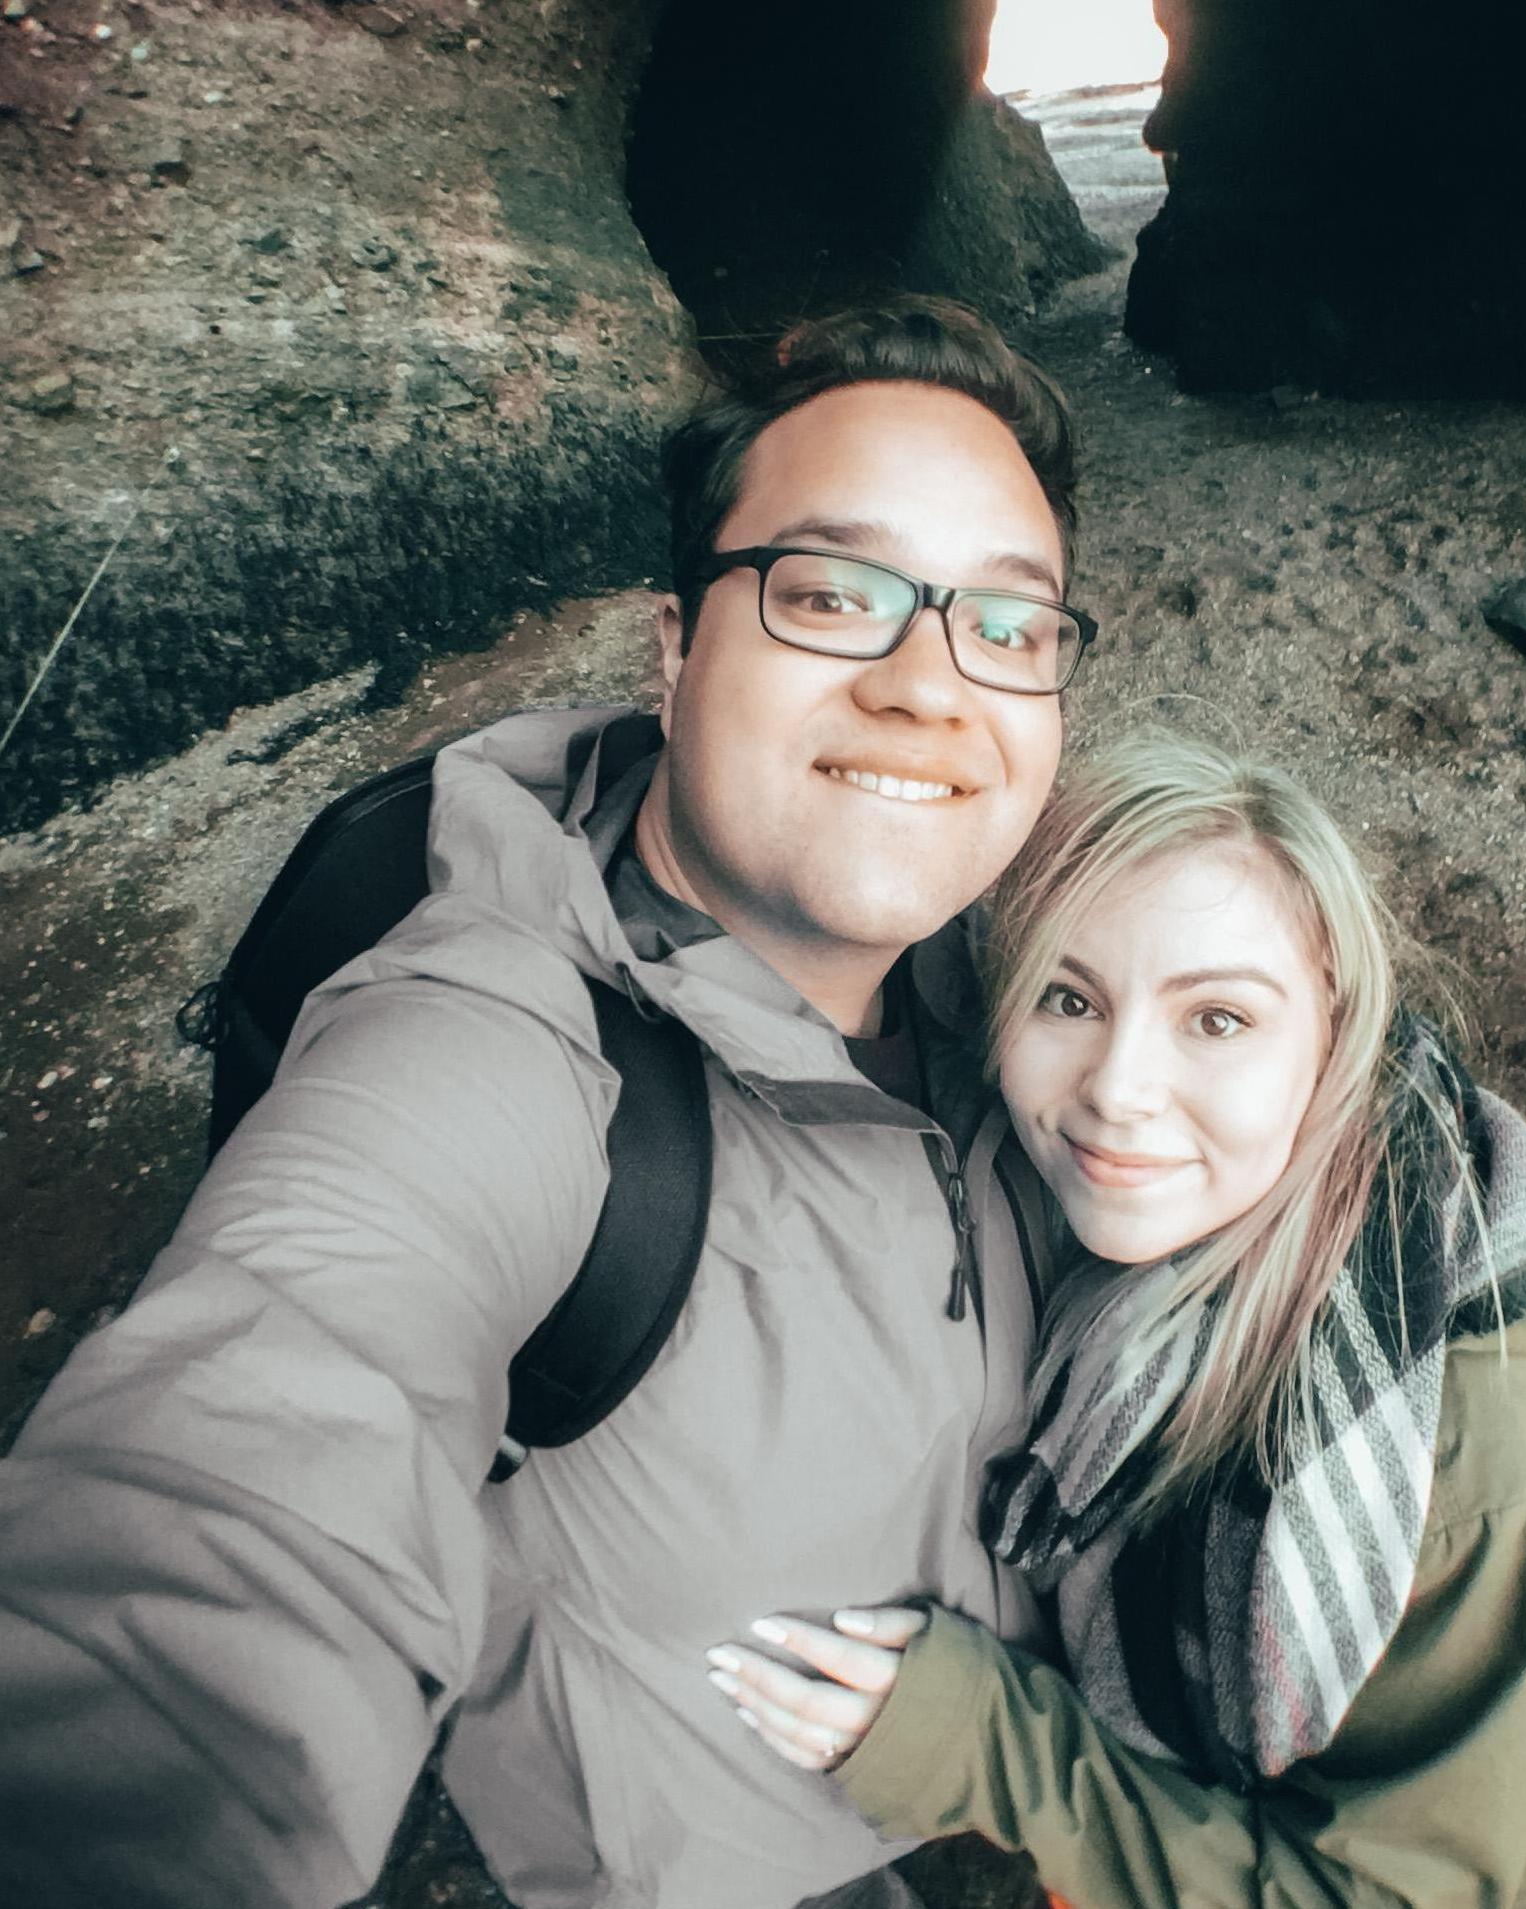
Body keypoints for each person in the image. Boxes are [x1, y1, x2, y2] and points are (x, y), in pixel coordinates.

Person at [0, 300, 1095, 1909]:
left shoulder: (1019, 975)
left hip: (1022, 1750)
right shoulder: (493, 1045)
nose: (931, 688)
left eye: (1006, 624)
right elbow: (253, 1454)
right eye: (830, 593)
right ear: (675, 648)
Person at [706, 731, 1526, 1908]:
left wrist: (989, 1748)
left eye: (1216, 1019)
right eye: (1068, 996)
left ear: (1336, 1033)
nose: (1117, 1087)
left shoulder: (1477, 1470)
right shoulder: (1068, 1188)